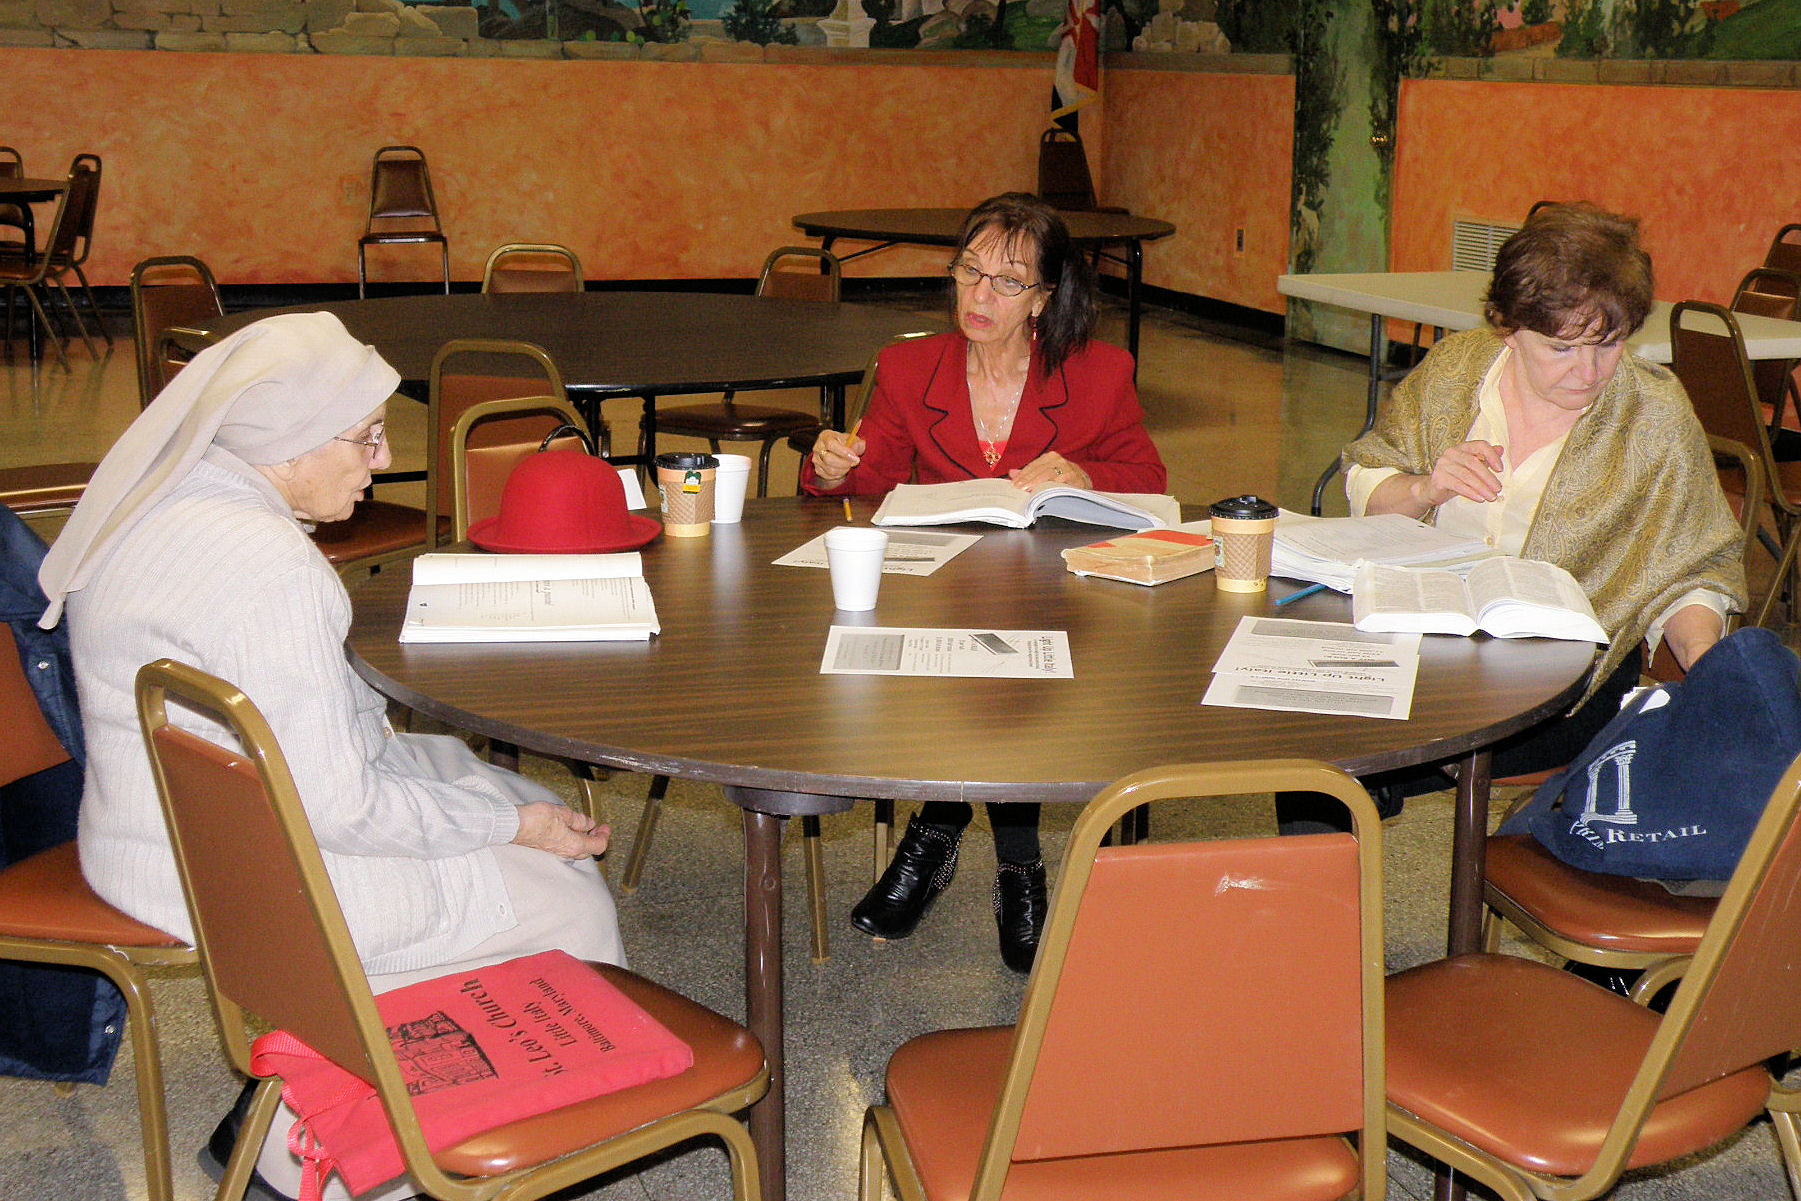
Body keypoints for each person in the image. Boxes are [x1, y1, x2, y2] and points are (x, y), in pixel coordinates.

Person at [39, 313, 621, 1201]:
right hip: (244, 882)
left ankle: (290, 1118)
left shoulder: (160, 498)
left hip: (147, 839)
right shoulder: (272, 568)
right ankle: (396, 1157)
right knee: (566, 893)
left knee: (472, 777)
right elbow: (342, 807)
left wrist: (489, 805)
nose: (381, 460)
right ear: (289, 441)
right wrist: (514, 825)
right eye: (365, 436)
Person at [801, 192, 1167, 972]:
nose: (978, 296)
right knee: (977, 678)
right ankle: (1004, 860)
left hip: (1063, 596)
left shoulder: (1099, 372)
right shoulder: (908, 367)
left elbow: (1147, 479)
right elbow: (867, 472)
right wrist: (830, 464)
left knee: (1010, 684)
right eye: (968, 272)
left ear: (1043, 297)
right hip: (939, 590)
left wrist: (1084, 472)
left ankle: (941, 838)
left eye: (1006, 282)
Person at [1317, 203, 1746, 818]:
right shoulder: (1456, 370)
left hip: (1563, 684)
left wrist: (1706, 667)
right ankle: (1324, 876)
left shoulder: (1654, 413)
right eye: (1561, 348)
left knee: (1346, 755)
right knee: (1307, 731)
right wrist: (1424, 490)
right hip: (1427, 642)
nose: (1587, 372)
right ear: (1508, 328)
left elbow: (1690, 567)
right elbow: (1369, 475)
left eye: (1609, 344)